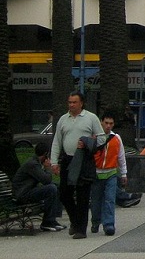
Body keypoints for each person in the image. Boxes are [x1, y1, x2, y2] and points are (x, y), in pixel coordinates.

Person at [50, 91, 104, 239]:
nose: (71, 105)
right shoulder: (63, 119)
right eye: (69, 102)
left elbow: (101, 139)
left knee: (83, 195)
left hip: (84, 160)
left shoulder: (91, 118)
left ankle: (81, 229)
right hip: (68, 159)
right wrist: (54, 161)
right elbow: (57, 141)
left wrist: (87, 143)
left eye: (74, 102)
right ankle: (75, 220)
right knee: (64, 193)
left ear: (81, 103)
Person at [12, 142, 65, 232]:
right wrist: (48, 168)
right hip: (22, 194)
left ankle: (52, 220)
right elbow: (46, 180)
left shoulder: (35, 162)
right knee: (51, 188)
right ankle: (47, 222)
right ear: (45, 154)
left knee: (57, 186)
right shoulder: (33, 164)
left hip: (27, 191)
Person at [90, 112, 127, 236]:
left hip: (111, 173)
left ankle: (109, 224)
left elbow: (121, 157)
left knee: (110, 199)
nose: (108, 126)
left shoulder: (116, 138)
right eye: (106, 123)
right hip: (96, 173)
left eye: (111, 123)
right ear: (101, 122)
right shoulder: (94, 137)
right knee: (96, 200)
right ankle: (95, 221)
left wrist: (123, 174)